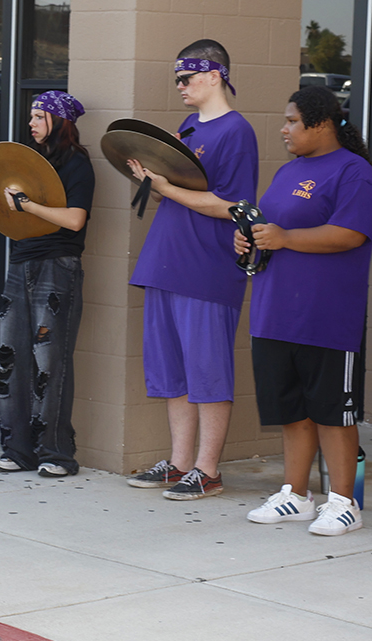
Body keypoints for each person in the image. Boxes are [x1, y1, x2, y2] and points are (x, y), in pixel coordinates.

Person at [124, 39, 258, 499]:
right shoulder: (189, 126)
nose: (179, 86)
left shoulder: (237, 132)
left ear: (215, 74)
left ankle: (209, 469)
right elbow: (177, 192)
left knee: (208, 370)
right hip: (166, 261)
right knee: (173, 371)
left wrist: (166, 187)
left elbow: (231, 206)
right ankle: (180, 464)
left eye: (187, 78)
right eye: (177, 78)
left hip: (207, 266)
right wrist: (151, 182)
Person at [235, 86, 372, 536]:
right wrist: (251, 241)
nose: (284, 129)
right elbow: (272, 229)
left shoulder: (354, 172)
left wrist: (285, 237)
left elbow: (350, 234)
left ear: (321, 124)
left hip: (328, 317)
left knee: (334, 413)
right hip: (276, 312)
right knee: (292, 410)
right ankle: (295, 495)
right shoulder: (288, 171)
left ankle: (344, 501)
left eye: (292, 121)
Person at [0, 90, 94, 478]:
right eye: (31, 116)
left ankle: (56, 453)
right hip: (21, 264)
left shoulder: (77, 164)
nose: (31, 123)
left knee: (50, 363)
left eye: (38, 116)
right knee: (12, 357)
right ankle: (17, 449)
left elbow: (74, 220)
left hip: (58, 267)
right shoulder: (29, 163)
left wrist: (27, 205)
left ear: (59, 120)